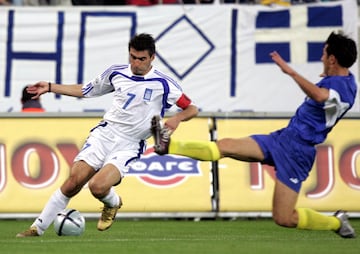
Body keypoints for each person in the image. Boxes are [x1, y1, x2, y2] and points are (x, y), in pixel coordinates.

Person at [151, 31, 357, 238]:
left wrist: (290, 72)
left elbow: (320, 96)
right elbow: (325, 94)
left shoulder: (344, 87)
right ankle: (168, 145)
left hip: (298, 152)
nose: (321, 58)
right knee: (224, 146)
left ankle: (335, 222)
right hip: (283, 138)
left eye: (324, 53)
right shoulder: (340, 81)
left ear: (332, 59)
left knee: (284, 218)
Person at [16, 33, 198, 237]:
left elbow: (192, 108)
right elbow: (86, 90)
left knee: (97, 186)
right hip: (105, 134)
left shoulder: (164, 84)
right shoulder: (116, 73)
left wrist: (176, 119)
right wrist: (50, 87)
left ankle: (112, 203)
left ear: (152, 57)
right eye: (132, 57)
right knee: (73, 182)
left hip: (130, 144)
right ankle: (36, 229)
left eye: (141, 59)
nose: (136, 63)